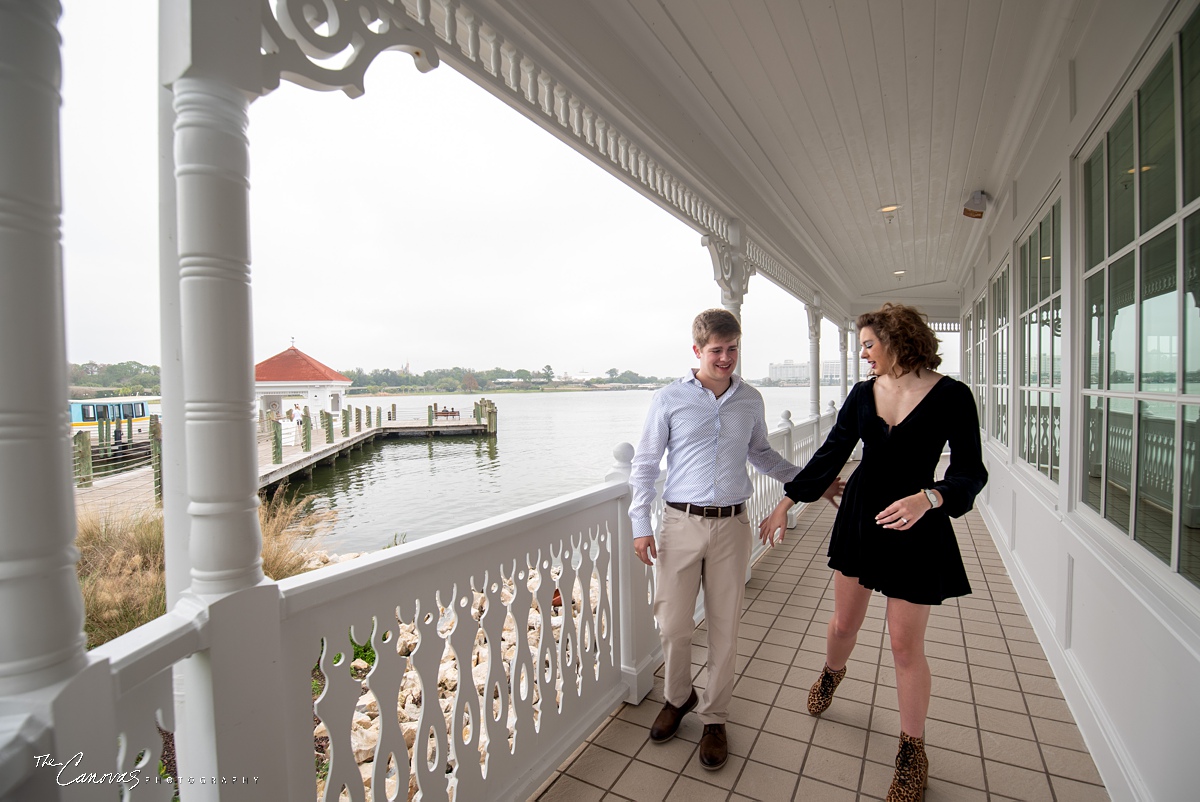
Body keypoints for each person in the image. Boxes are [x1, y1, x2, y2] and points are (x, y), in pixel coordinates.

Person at [758, 302, 987, 801]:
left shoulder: (953, 396)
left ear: (897, 340)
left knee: (905, 646)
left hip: (917, 522)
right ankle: (831, 672)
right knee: (844, 624)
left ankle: (912, 752)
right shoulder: (863, 395)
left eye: (867, 344)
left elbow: (972, 471)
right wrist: (787, 502)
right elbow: (830, 454)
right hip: (861, 516)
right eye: (862, 346)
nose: (863, 354)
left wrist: (930, 498)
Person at [629, 308, 799, 771]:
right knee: (674, 624)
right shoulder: (668, 399)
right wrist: (639, 523)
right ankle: (677, 697)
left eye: (732, 349)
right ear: (697, 351)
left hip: (732, 526)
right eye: (716, 350)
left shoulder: (751, 400)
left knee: (725, 628)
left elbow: (761, 454)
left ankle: (714, 717)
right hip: (679, 525)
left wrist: (811, 480)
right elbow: (645, 463)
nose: (726, 358)